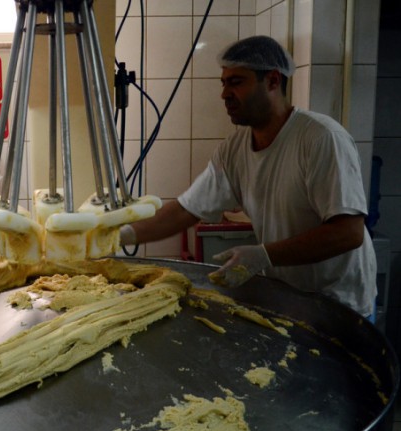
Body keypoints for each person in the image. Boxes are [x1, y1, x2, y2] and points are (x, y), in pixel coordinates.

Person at [120, 35, 377, 318]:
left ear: (273, 81)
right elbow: (186, 210)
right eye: (224, 83)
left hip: (339, 306)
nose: (224, 94)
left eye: (236, 82)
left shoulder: (320, 139)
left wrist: (264, 256)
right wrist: (122, 235)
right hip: (288, 299)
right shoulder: (235, 147)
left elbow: (348, 233)